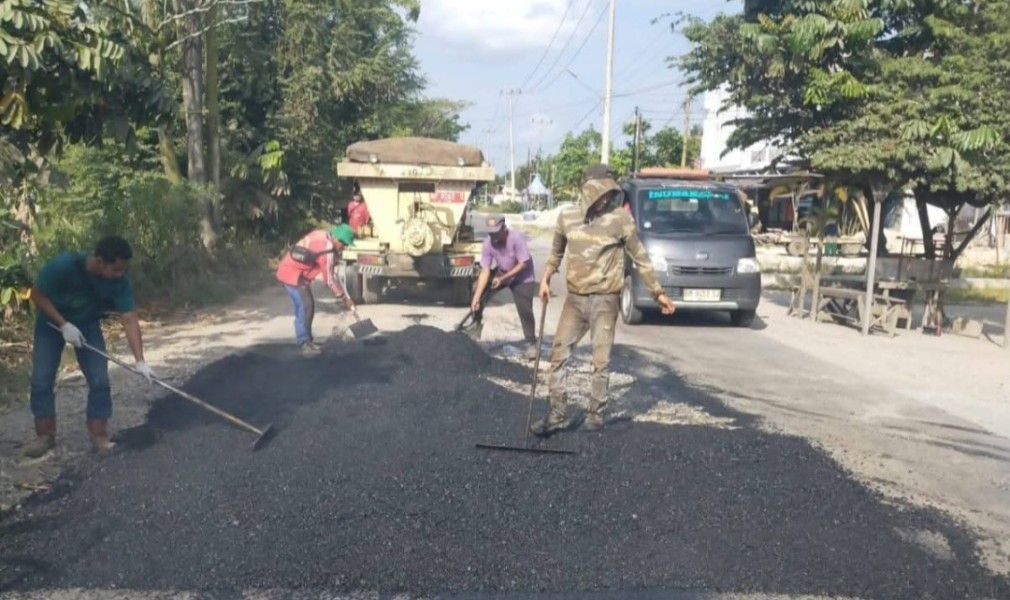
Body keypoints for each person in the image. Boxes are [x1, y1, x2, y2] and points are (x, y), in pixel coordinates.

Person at [534, 164, 676, 436]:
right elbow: (555, 254)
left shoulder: (619, 220)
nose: (603, 199)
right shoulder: (567, 217)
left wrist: (658, 292)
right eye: (599, 194)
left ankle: (595, 415)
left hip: (605, 301)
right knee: (558, 357)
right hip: (574, 300)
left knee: (600, 361)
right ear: (588, 192)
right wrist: (546, 279)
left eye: (607, 194)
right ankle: (557, 414)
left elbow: (640, 257)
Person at [26, 235, 156, 457]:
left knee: (99, 379)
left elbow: (129, 319)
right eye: (116, 269)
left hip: (87, 323)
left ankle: (99, 435)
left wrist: (140, 361)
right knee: (41, 379)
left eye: (123, 270)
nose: (120, 274)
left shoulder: (119, 282)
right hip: (51, 324)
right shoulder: (62, 266)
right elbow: (37, 295)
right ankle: (45, 436)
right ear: (99, 261)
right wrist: (64, 325)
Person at [276, 224, 356, 356]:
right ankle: (304, 343)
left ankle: (307, 341)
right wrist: (345, 299)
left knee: (306, 305)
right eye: (344, 244)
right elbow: (329, 280)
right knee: (305, 306)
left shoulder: (322, 235)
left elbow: (323, 263)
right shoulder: (328, 251)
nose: (344, 248)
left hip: (292, 271)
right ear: (337, 240)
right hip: (292, 274)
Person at [470, 215, 539, 360]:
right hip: (502, 273)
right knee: (477, 291)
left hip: (522, 277)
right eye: (490, 233)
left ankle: (531, 345)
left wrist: (502, 279)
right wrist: (477, 297)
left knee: (524, 308)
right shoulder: (488, 244)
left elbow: (523, 264)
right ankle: (475, 326)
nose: (493, 235)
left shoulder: (516, 237)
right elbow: (485, 270)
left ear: (503, 228)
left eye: (495, 232)